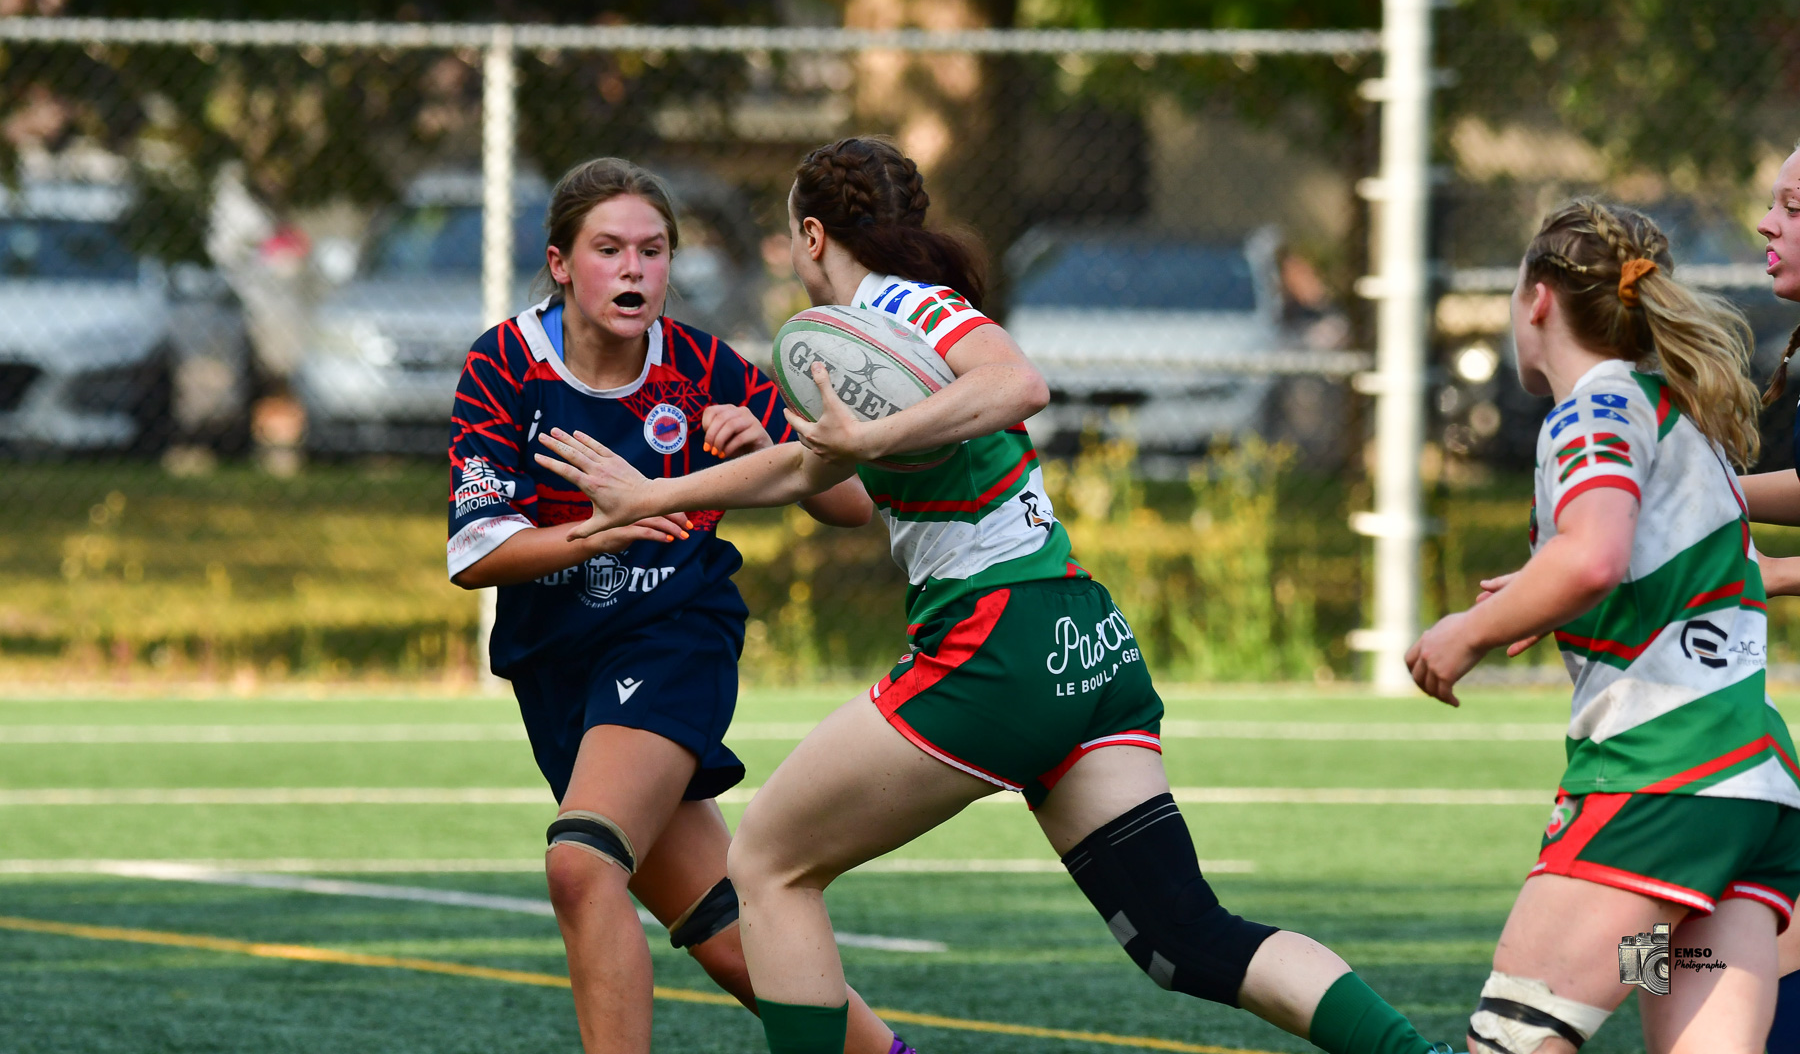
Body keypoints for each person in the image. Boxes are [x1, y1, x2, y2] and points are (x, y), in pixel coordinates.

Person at [534, 135, 1452, 1054]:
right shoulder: (874, 344)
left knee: (768, 864)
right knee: (1184, 939)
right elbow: (808, 471)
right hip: (1083, 641)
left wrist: (837, 452)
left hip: (995, 643)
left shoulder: (903, 307)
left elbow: (1018, 383)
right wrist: (661, 493)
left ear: (812, 237)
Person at [447, 156, 913, 1054]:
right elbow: (478, 554)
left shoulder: (705, 366)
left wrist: (778, 454)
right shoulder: (505, 365)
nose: (634, 270)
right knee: (737, 945)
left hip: (670, 640)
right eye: (609, 249)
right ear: (560, 264)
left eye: (653, 251)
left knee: (581, 866)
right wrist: (611, 527)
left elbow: (850, 507)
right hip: (558, 671)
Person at [1405, 199, 1800, 1054]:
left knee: (1510, 1042)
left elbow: (1595, 557)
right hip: (1745, 816)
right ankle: (1634, 953)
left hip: (1659, 793)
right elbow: (1633, 565)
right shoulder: (1673, 412)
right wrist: (1540, 591)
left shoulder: (1593, 409)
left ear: (1537, 298)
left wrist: (1462, 635)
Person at [1734, 144, 1800, 1054]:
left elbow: (1585, 570)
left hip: (1670, 774)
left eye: (1792, 205)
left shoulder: (1613, 443)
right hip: (1722, 756)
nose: (1766, 222)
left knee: (1626, 954)